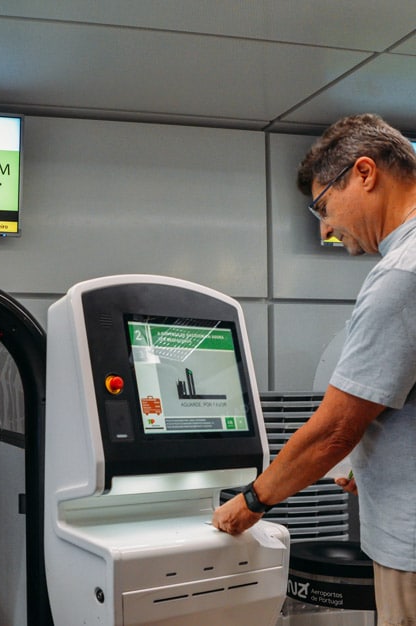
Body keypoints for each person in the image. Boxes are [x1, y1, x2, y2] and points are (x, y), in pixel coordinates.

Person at [212, 113, 416, 625]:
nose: (326, 227)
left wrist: (252, 502)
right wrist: (369, 464)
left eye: (324, 206)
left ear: (365, 173)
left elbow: (333, 431)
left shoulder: (400, 274)